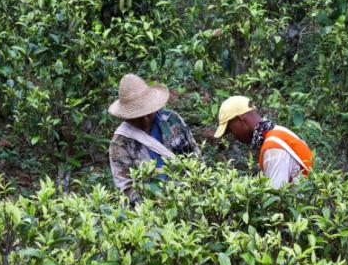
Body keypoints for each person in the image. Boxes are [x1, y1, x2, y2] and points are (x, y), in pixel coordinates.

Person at [108, 73, 198, 202]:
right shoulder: (120, 143)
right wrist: (160, 200)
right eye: (137, 116)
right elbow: (127, 189)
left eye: (147, 113)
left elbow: (195, 157)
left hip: (187, 197)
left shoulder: (172, 121)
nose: (145, 119)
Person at [213, 96, 313, 188]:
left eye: (231, 130)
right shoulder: (278, 131)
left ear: (240, 120)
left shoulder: (273, 146)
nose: (234, 136)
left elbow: (276, 197)